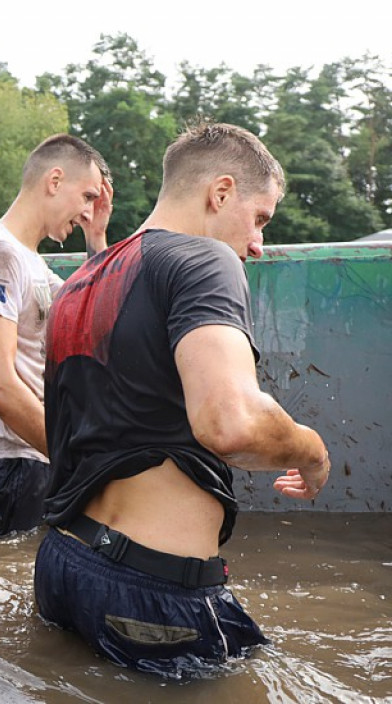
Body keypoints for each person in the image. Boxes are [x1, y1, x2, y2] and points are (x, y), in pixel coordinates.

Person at [35, 122, 331, 678]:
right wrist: (311, 451)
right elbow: (231, 424)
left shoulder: (78, 283)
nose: (258, 243)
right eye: (260, 218)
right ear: (220, 193)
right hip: (151, 591)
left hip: (63, 563)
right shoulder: (203, 261)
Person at [0, 134, 113, 537]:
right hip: (10, 467)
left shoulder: (27, 260)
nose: (88, 211)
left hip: (32, 458)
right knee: (0, 583)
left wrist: (97, 241)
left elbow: (93, 318)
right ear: (54, 181)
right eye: (88, 196)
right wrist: (69, 459)